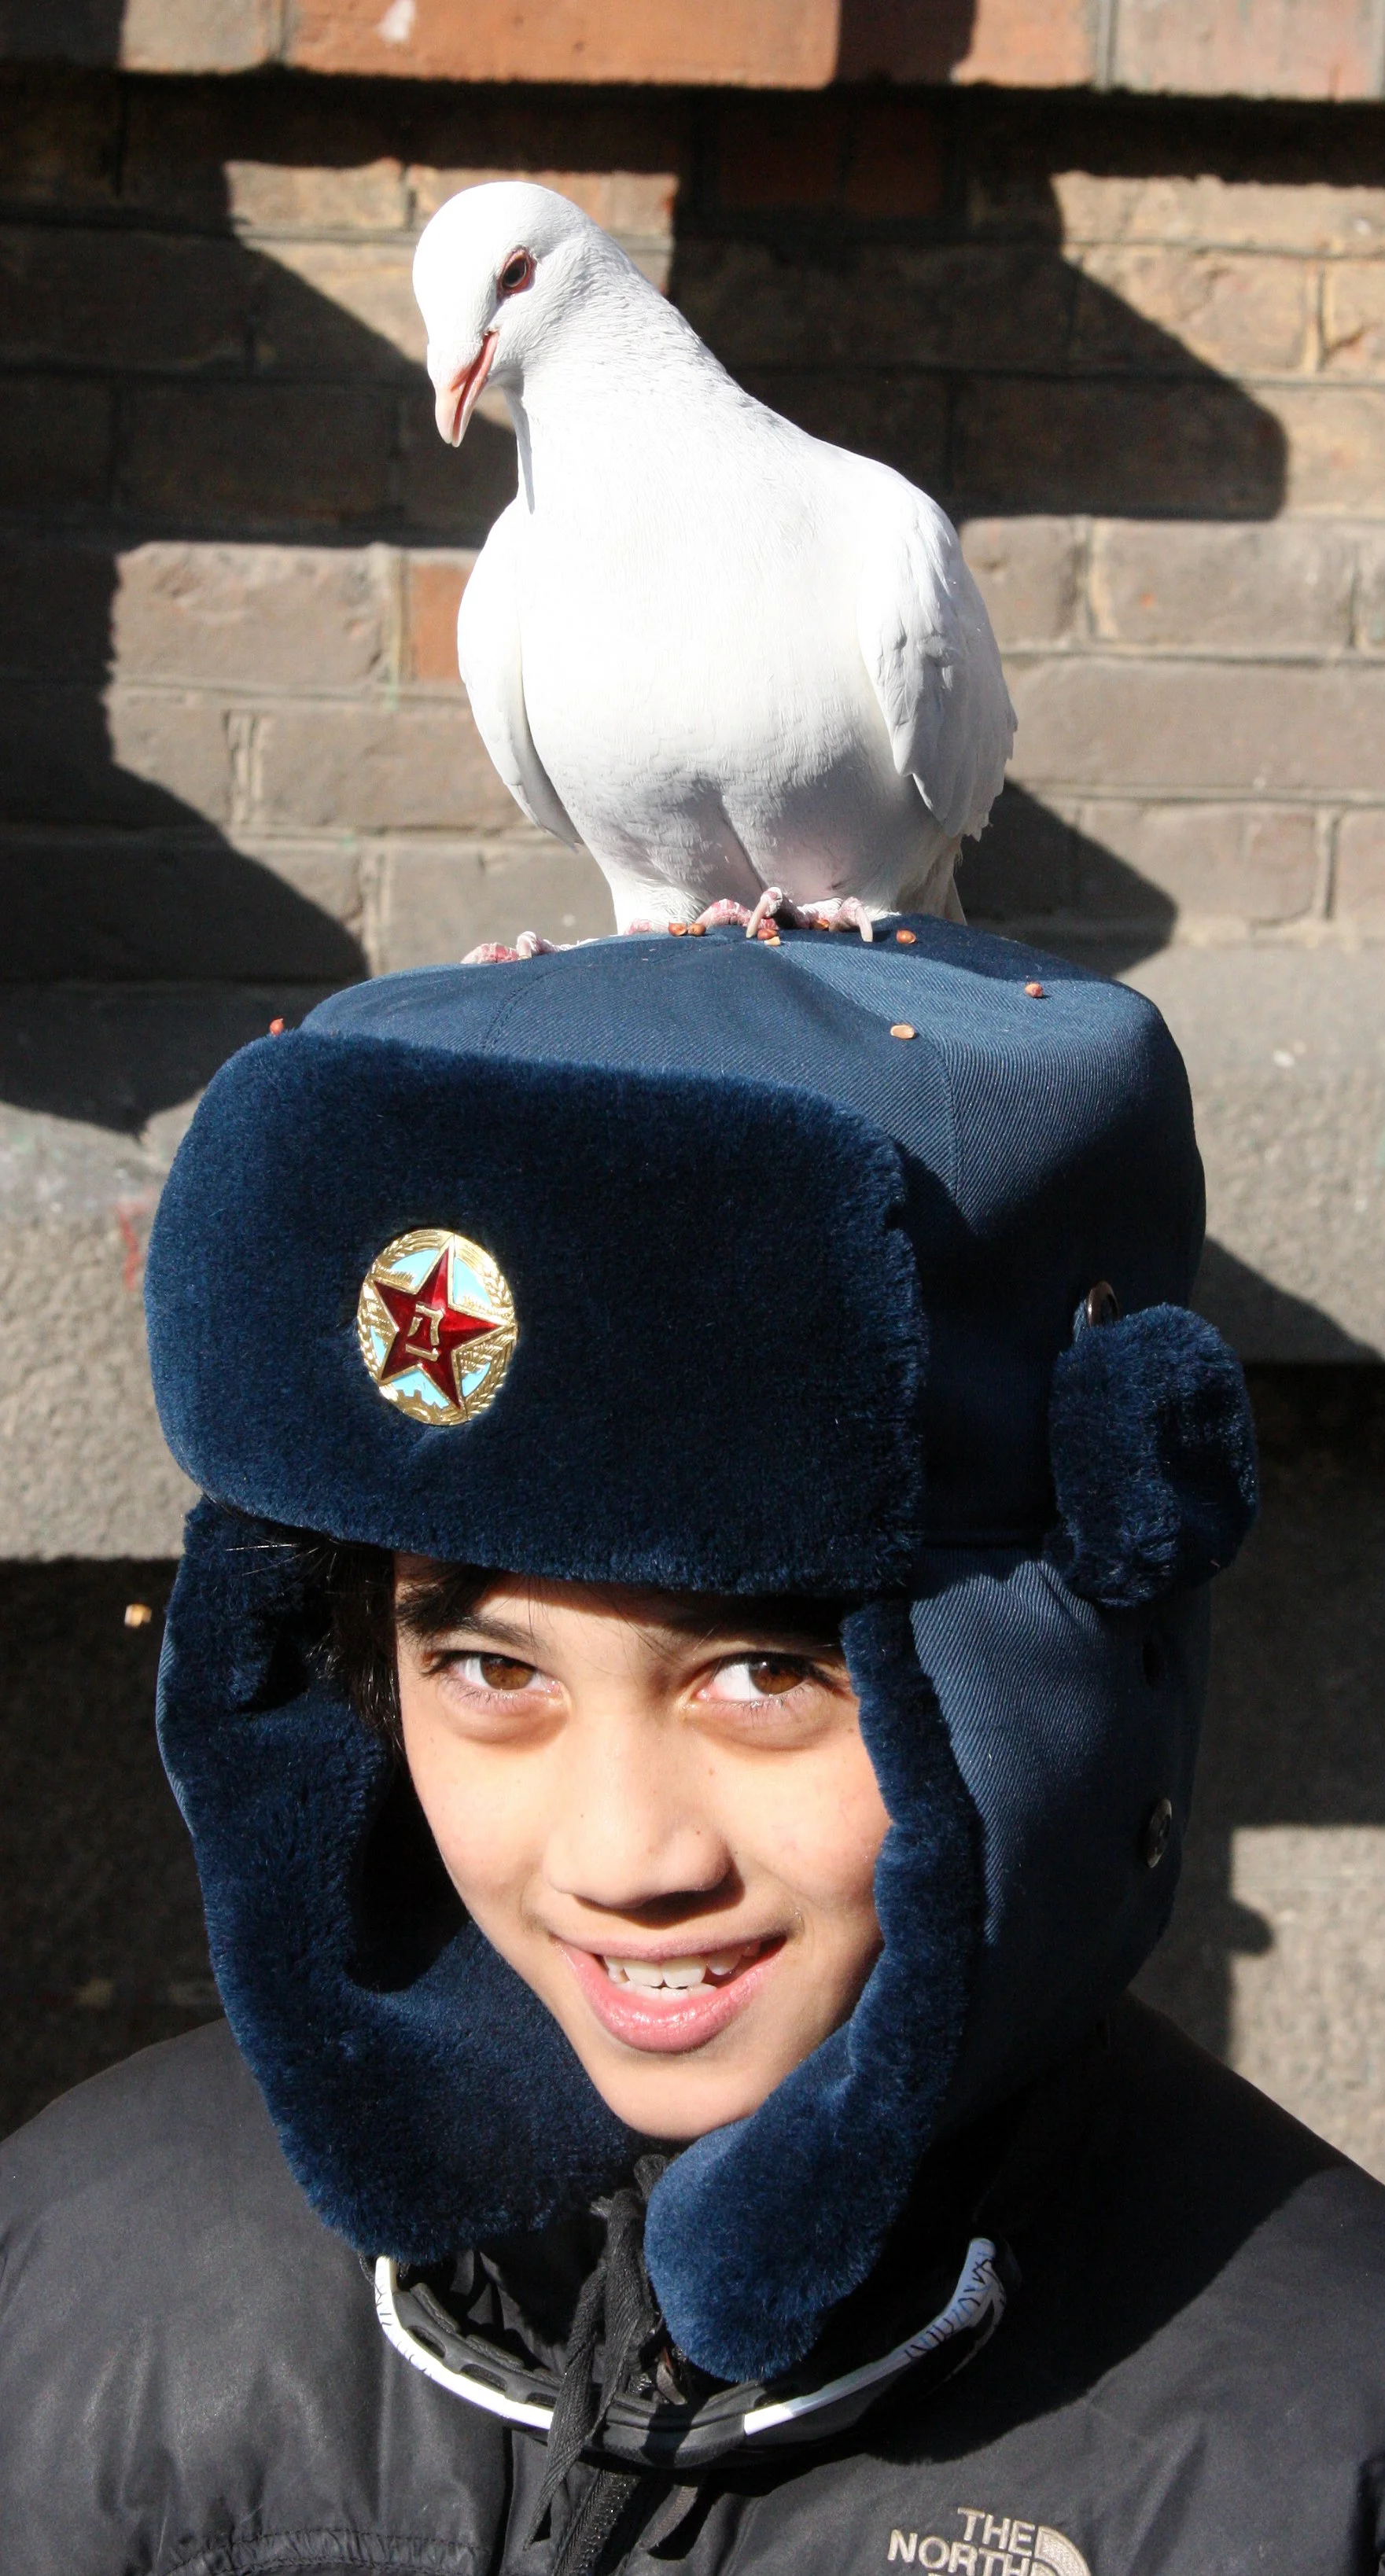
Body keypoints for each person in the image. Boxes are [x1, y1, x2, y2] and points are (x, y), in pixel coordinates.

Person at [2, 914, 1382, 2576]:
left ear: (1056, 1678)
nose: (620, 1858)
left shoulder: (1315, 2453)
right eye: (491, 1668)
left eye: (761, 1676)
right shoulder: (80, 2271)